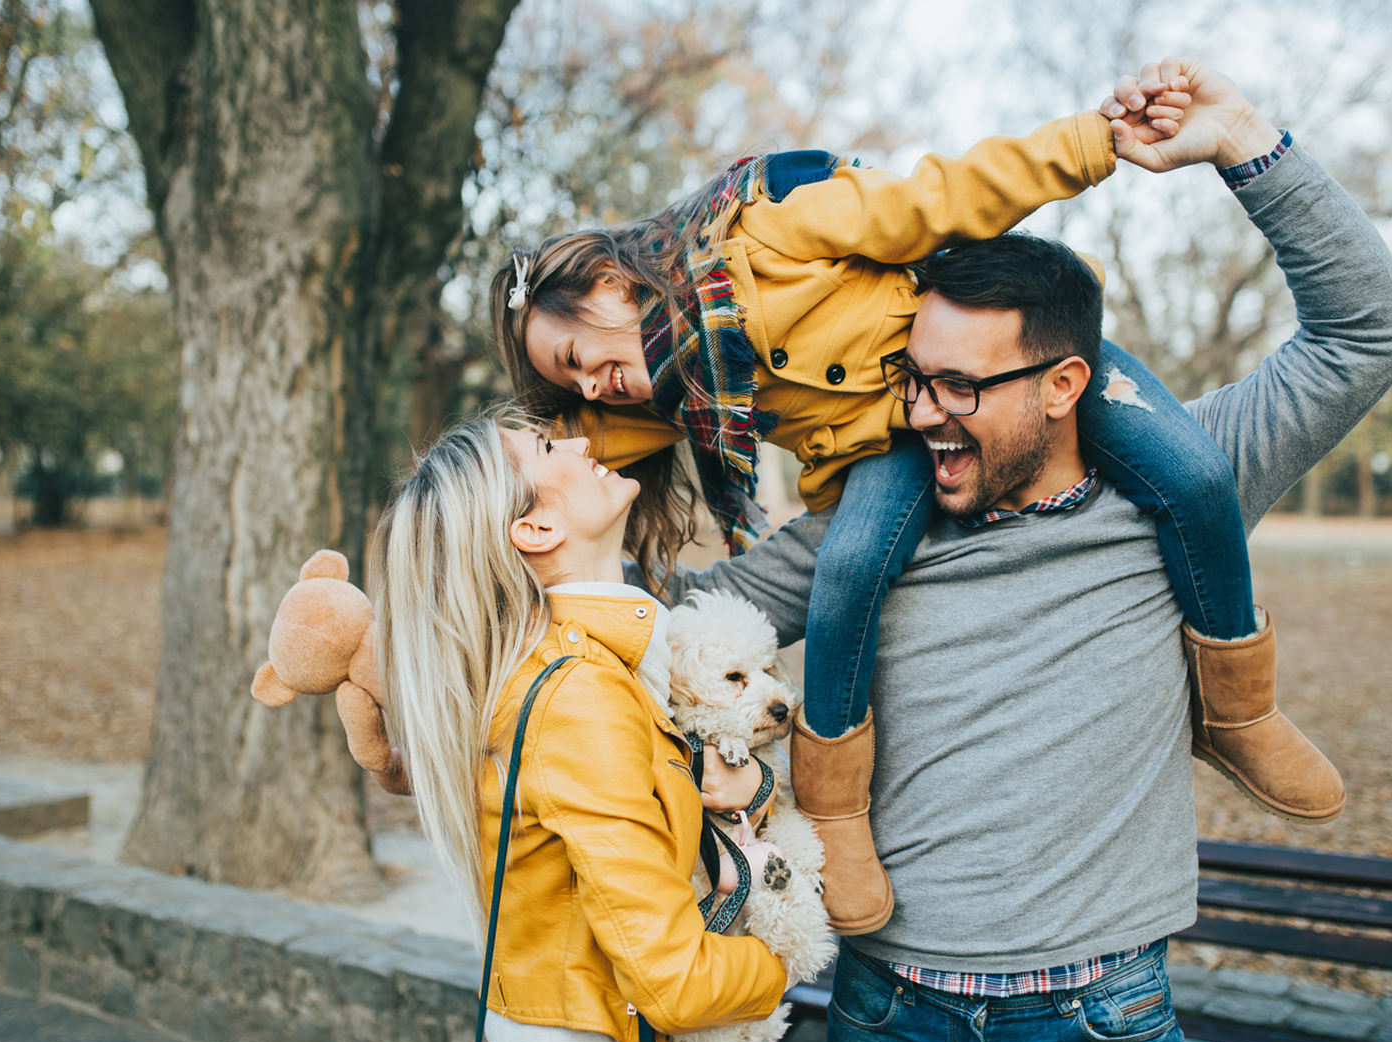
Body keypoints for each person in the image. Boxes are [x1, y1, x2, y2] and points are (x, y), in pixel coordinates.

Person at [654, 60, 1392, 1042]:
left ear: (1066, 384)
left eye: (960, 386)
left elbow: (1372, 329)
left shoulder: (1187, 481)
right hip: (886, 1024)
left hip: (1098, 1033)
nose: (923, 413)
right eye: (915, 380)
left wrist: (1245, 143)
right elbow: (659, 623)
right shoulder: (862, 535)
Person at [489, 62, 1346, 940]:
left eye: (582, 357)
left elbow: (942, 198)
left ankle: (1241, 710)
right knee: (852, 568)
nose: (596, 386)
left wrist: (1093, 144)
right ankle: (836, 813)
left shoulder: (774, 239)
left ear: (609, 284)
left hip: (983, 368)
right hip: (896, 450)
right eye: (574, 383)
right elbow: (533, 471)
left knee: (1197, 475)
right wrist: (454, 538)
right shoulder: (665, 394)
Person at [370, 415, 788, 1042]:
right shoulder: (579, 692)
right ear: (535, 529)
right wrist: (782, 959)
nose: (579, 444)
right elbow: (674, 982)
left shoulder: (575, 665)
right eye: (545, 448)